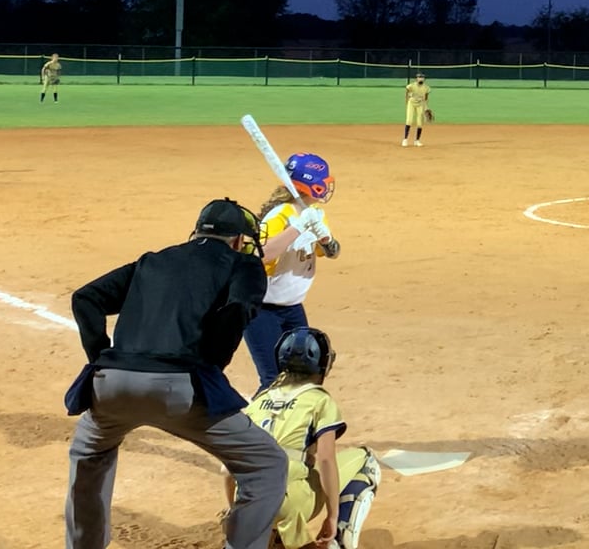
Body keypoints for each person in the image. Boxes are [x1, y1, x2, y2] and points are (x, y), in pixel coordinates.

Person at [64, 198, 288, 549]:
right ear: (237, 240)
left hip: (110, 386)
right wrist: (212, 364)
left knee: (89, 453)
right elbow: (239, 309)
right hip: (181, 389)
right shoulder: (243, 264)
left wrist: (102, 359)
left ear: (196, 232)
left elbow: (85, 298)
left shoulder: (152, 260)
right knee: (266, 464)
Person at [239, 327, 382, 549]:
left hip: (247, 503)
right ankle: (338, 540)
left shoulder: (258, 401)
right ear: (323, 364)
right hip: (287, 504)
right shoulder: (319, 400)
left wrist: (236, 514)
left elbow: (227, 468)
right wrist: (332, 516)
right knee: (366, 461)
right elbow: (325, 459)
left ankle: (272, 539)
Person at [244, 153, 339, 390]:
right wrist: (298, 227)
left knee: (301, 375)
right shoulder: (280, 216)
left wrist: (325, 238)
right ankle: (260, 415)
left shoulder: (315, 213)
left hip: (293, 307)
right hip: (262, 309)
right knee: (272, 380)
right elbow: (262, 255)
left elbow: (332, 252)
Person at [402, 72, 432, 147]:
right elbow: (407, 91)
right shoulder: (412, 86)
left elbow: (426, 98)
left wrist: (426, 107)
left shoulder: (426, 88)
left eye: (422, 77)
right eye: (419, 77)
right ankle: (405, 139)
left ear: (424, 79)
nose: (421, 79)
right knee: (409, 120)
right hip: (411, 104)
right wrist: (406, 101)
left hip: (420, 105)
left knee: (419, 123)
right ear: (416, 79)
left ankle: (417, 141)